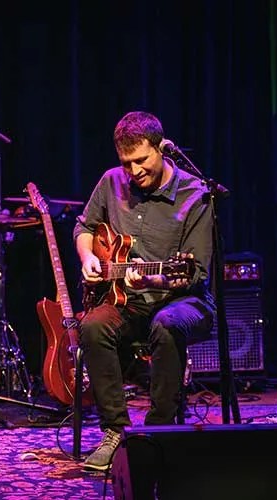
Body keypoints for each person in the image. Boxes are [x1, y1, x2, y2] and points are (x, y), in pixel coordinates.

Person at [73, 111, 215, 472]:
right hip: (128, 301)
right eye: (126, 163)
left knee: (166, 324)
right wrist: (89, 256)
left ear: (161, 149)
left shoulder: (196, 195)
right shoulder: (111, 182)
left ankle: (160, 431)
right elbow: (84, 226)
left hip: (184, 300)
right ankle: (115, 432)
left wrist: (155, 279)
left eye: (141, 160)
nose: (134, 171)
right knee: (91, 326)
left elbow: (195, 272)